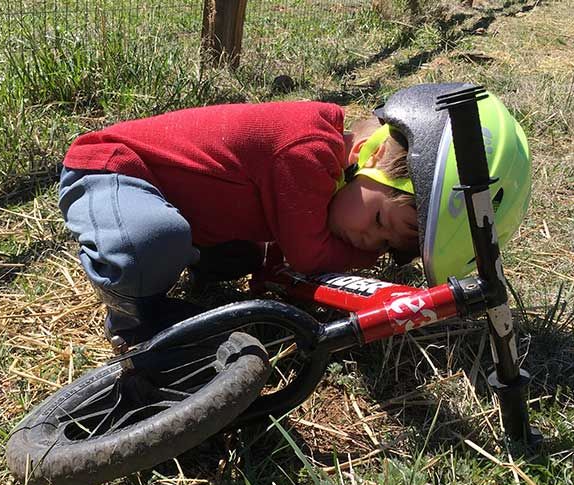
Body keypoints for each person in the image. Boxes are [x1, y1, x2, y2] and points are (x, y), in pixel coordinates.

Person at [59, 100, 419, 349]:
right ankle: (135, 323)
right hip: (111, 169)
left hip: (180, 204)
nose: (371, 242)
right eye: (379, 220)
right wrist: (367, 265)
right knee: (146, 245)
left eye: (386, 245)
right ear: (371, 156)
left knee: (243, 257)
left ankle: (186, 265)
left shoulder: (328, 171)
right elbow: (309, 257)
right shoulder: (309, 151)